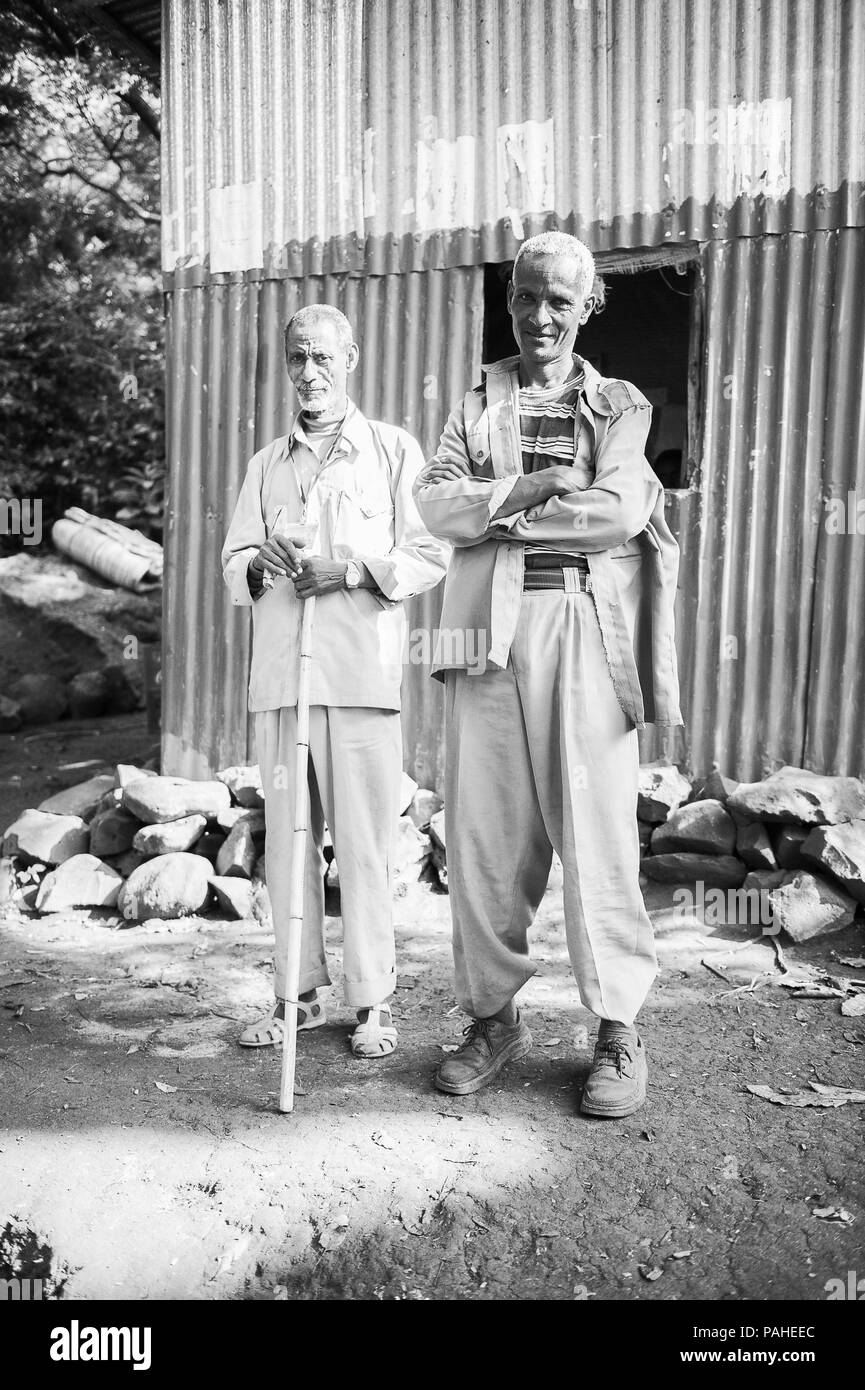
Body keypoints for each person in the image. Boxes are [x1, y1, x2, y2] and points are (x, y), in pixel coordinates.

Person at [413, 232, 682, 1116]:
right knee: (486, 834)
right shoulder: (472, 408)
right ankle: (492, 1019)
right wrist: (521, 491)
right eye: (526, 297)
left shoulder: (618, 404)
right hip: (484, 631)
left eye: (559, 301)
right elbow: (431, 505)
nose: (539, 316)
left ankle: (616, 1028)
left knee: (597, 831)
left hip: (579, 623)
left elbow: (616, 510)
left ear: (588, 305)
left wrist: (503, 514)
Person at [222, 304, 449, 1059]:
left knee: (363, 847)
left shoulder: (389, 451)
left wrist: (351, 570)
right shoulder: (266, 463)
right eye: (296, 359)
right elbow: (232, 565)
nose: (309, 373)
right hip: (283, 684)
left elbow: (429, 551)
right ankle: (296, 998)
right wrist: (262, 564)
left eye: (322, 356)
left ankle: (372, 1005)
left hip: (359, 682)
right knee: (289, 846)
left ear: (349, 356)